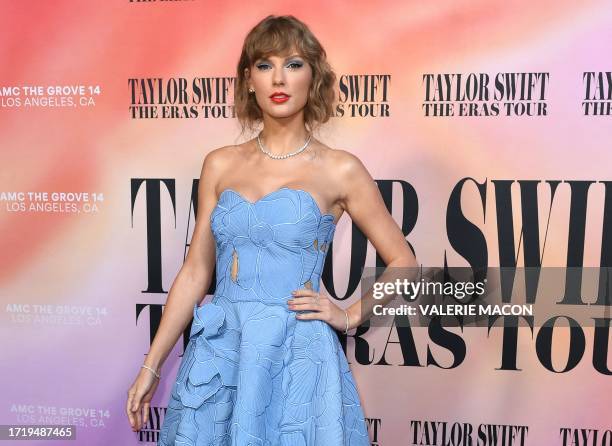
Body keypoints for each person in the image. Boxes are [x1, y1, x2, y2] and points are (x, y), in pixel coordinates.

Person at [126, 14, 418, 445]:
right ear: (248, 80)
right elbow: (195, 273)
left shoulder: (341, 169)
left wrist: (351, 314)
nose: (279, 78)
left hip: (298, 352)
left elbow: (405, 262)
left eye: (294, 64)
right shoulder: (220, 164)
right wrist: (151, 366)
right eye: (265, 65)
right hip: (223, 347)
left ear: (313, 77)